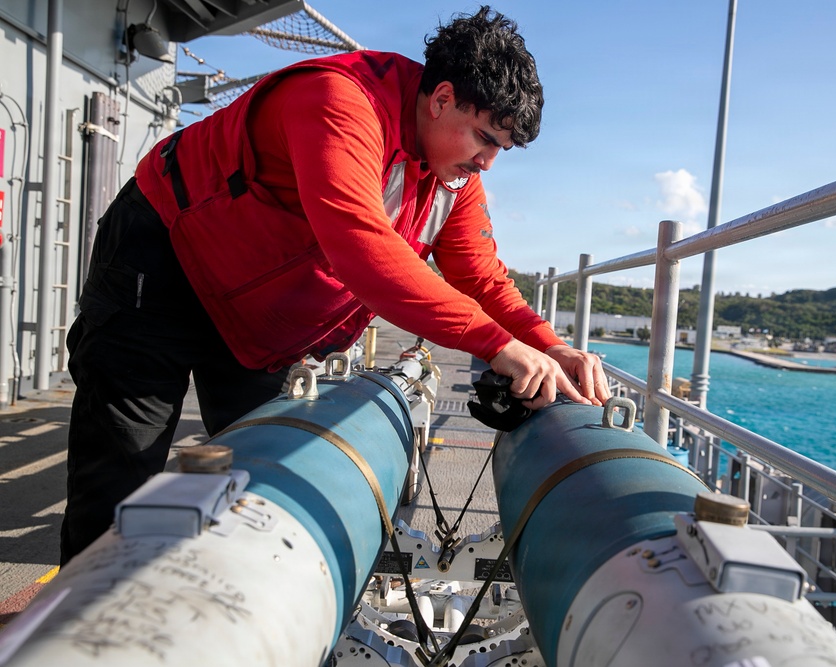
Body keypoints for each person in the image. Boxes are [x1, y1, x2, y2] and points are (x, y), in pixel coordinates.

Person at [60, 6, 610, 565]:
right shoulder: (339, 101)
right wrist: (496, 344)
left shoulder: (454, 178)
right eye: (485, 139)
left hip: (260, 314)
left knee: (263, 470)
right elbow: (362, 248)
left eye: (501, 150)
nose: (488, 163)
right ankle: (77, 633)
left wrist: (549, 345)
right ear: (442, 98)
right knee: (123, 467)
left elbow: (480, 276)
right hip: (163, 262)